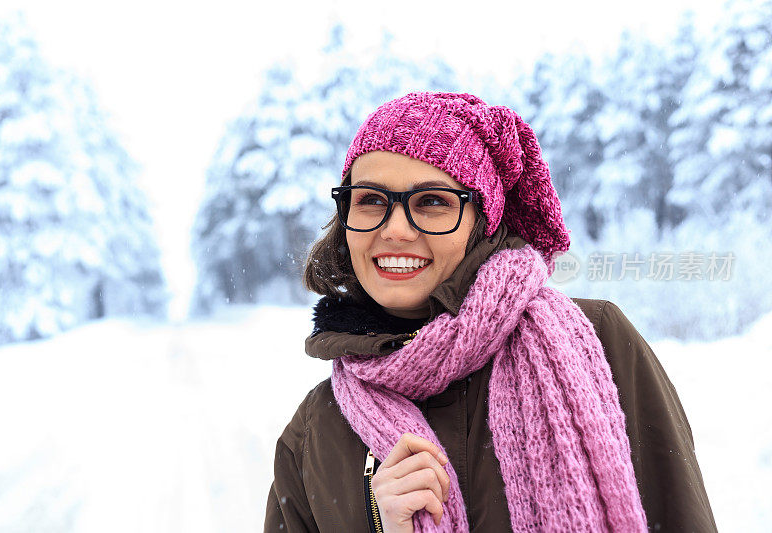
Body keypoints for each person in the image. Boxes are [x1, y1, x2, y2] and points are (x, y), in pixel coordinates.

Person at [264, 92, 717, 532]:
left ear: (485, 221)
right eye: (370, 201)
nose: (395, 229)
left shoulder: (596, 342)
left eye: (433, 201)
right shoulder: (315, 433)